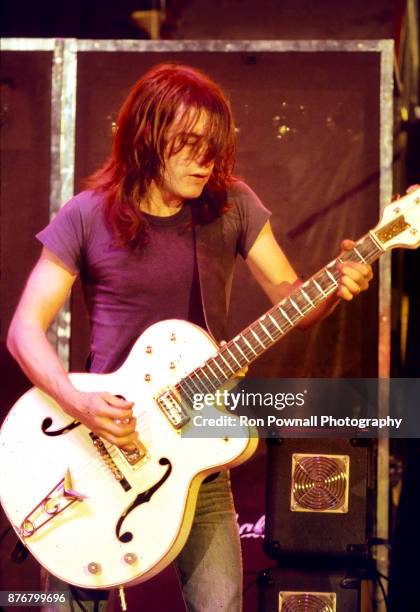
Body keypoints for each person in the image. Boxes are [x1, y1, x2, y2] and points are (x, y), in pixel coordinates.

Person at [6, 63, 373, 612]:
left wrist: (340, 278)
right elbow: (23, 329)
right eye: (191, 144)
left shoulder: (231, 206)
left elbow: (292, 301)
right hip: (94, 445)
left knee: (220, 605)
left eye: (216, 147)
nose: (207, 160)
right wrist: (78, 402)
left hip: (196, 448)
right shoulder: (87, 215)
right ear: (148, 136)